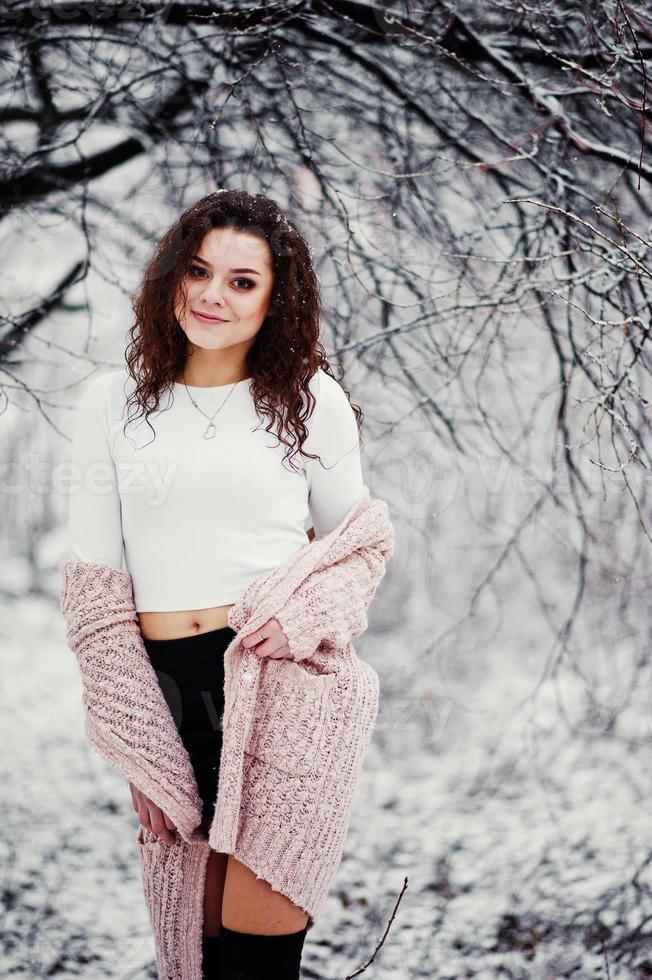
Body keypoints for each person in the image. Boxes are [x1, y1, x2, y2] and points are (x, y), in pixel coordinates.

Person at [66, 189, 368, 978]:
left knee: (257, 963)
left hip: (283, 690)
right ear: (170, 277)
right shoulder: (113, 405)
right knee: (194, 958)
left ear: (276, 299)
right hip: (167, 694)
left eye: (242, 280)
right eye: (198, 270)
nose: (212, 294)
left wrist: (303, 619)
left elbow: (360, 549)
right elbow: (97, 602)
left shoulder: (311, 403)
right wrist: (140, 749)